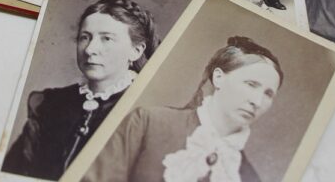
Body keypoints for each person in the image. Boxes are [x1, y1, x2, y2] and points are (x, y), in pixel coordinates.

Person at [82, 36, 283, 182]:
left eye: (268, 94)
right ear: (219, 77)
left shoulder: (247, 176)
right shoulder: (148, 123)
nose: (257, 101)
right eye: (251, 84)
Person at [2, 0, 158, 180]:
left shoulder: (144, 111)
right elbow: (14, 172)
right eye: (85, 37)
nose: (90, 49)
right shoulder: (50, 104)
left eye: (107, 38)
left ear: (136, 50)